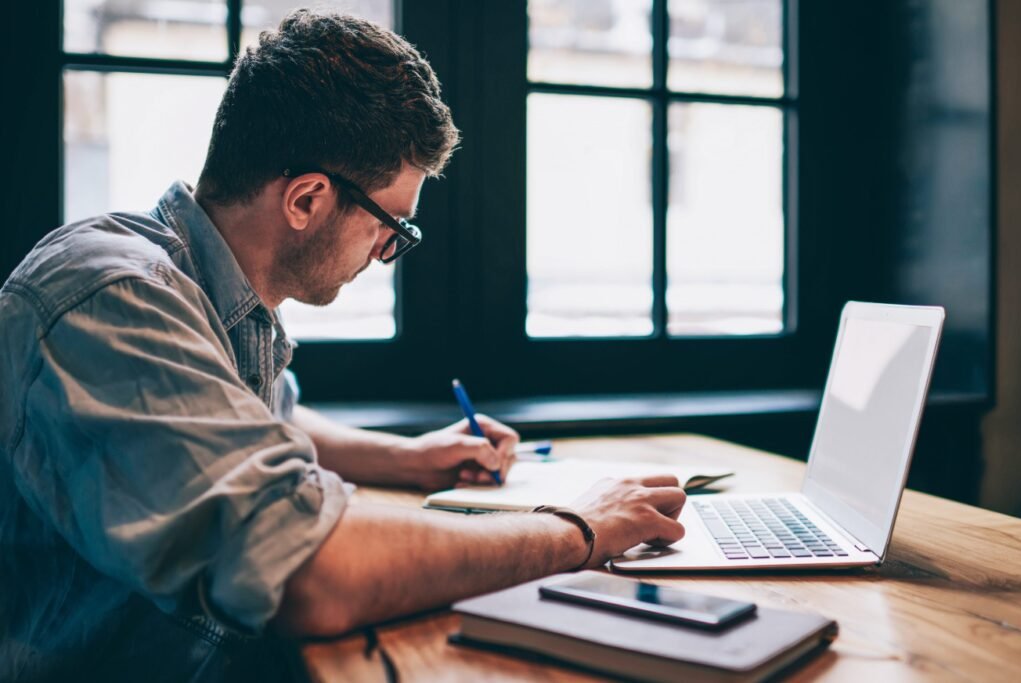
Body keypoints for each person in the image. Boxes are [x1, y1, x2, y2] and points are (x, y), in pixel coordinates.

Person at [0, 9, 686, 682]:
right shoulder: (110, 297)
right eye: (393, 225)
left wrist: (410, 458)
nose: (391, 250)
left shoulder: (204, 290)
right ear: (305, 200)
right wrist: (580, 527)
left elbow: (251, 419)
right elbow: (312, 573)